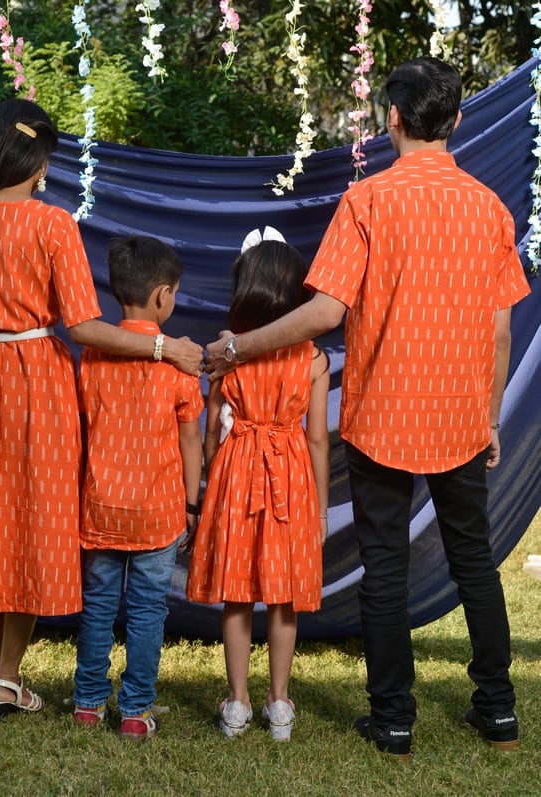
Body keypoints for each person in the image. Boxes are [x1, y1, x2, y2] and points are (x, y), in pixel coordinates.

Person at [205, 57, 531, 758]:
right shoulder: (490, 209)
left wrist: (238, 346)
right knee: (474, 562)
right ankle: (499, 711)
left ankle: (393, 720)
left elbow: (324, 312)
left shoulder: (368, 201)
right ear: (456, 120)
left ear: (393, 120)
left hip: (383, 416)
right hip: (460, 418)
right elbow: (501, 331)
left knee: (385, 566)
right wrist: (487, 416)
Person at [0, 99, 202, 724]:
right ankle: (5, 676)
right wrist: (165, 347)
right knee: (29, 524)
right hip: (34, 385)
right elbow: (85, 327)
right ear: (39, 162)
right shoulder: (52, 226)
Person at [187, 228, 330, 741]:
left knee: (238, 593)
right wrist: (321, 508)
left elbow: (211, 428)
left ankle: (238, 703)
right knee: (284, 596)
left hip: (237, 473)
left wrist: (212, 481)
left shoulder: (227, 355)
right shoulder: (313, 359)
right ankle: (280, 704)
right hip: (290, 478)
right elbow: (317, 439)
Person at [72, 235, 203, 739]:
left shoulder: (94, 355)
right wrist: (191, 503)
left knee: (99, 604)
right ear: (163, 295)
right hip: (159, 510)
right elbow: (190, 439)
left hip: (101, 505)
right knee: (148, 609)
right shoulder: (180, 362)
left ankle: (87, 704)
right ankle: (134, 712)